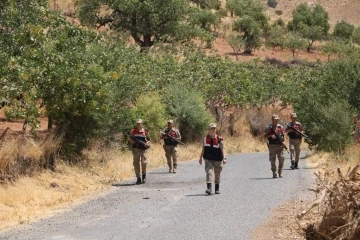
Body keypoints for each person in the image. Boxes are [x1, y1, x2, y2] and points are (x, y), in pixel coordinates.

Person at [199, 123, 227, 195]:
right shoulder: (205, 139)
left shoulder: (219, 139)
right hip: (208, 158)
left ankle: (217, 188)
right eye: (212, 128)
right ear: (209, 130)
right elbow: (203, 149)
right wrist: (200, 158)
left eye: (214, 128)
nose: (213, 130)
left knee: (217, 174)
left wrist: (224, 158)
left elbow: (223, 149)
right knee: (209, 172)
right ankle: (209, 188)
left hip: (218, 159)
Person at [128, 119, 151, 185]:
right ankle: (138, 178)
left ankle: (144, 176)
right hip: (136, 149)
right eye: (137, 123)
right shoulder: (133, 131)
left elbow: (149, 140)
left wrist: (147, 143)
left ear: (142, 124)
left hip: (143, 149)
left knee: (144, 163)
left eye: (139, 123)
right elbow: (130, 139)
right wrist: (130, 141)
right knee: (136, 164)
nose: (138, 124)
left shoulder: (145, 131)